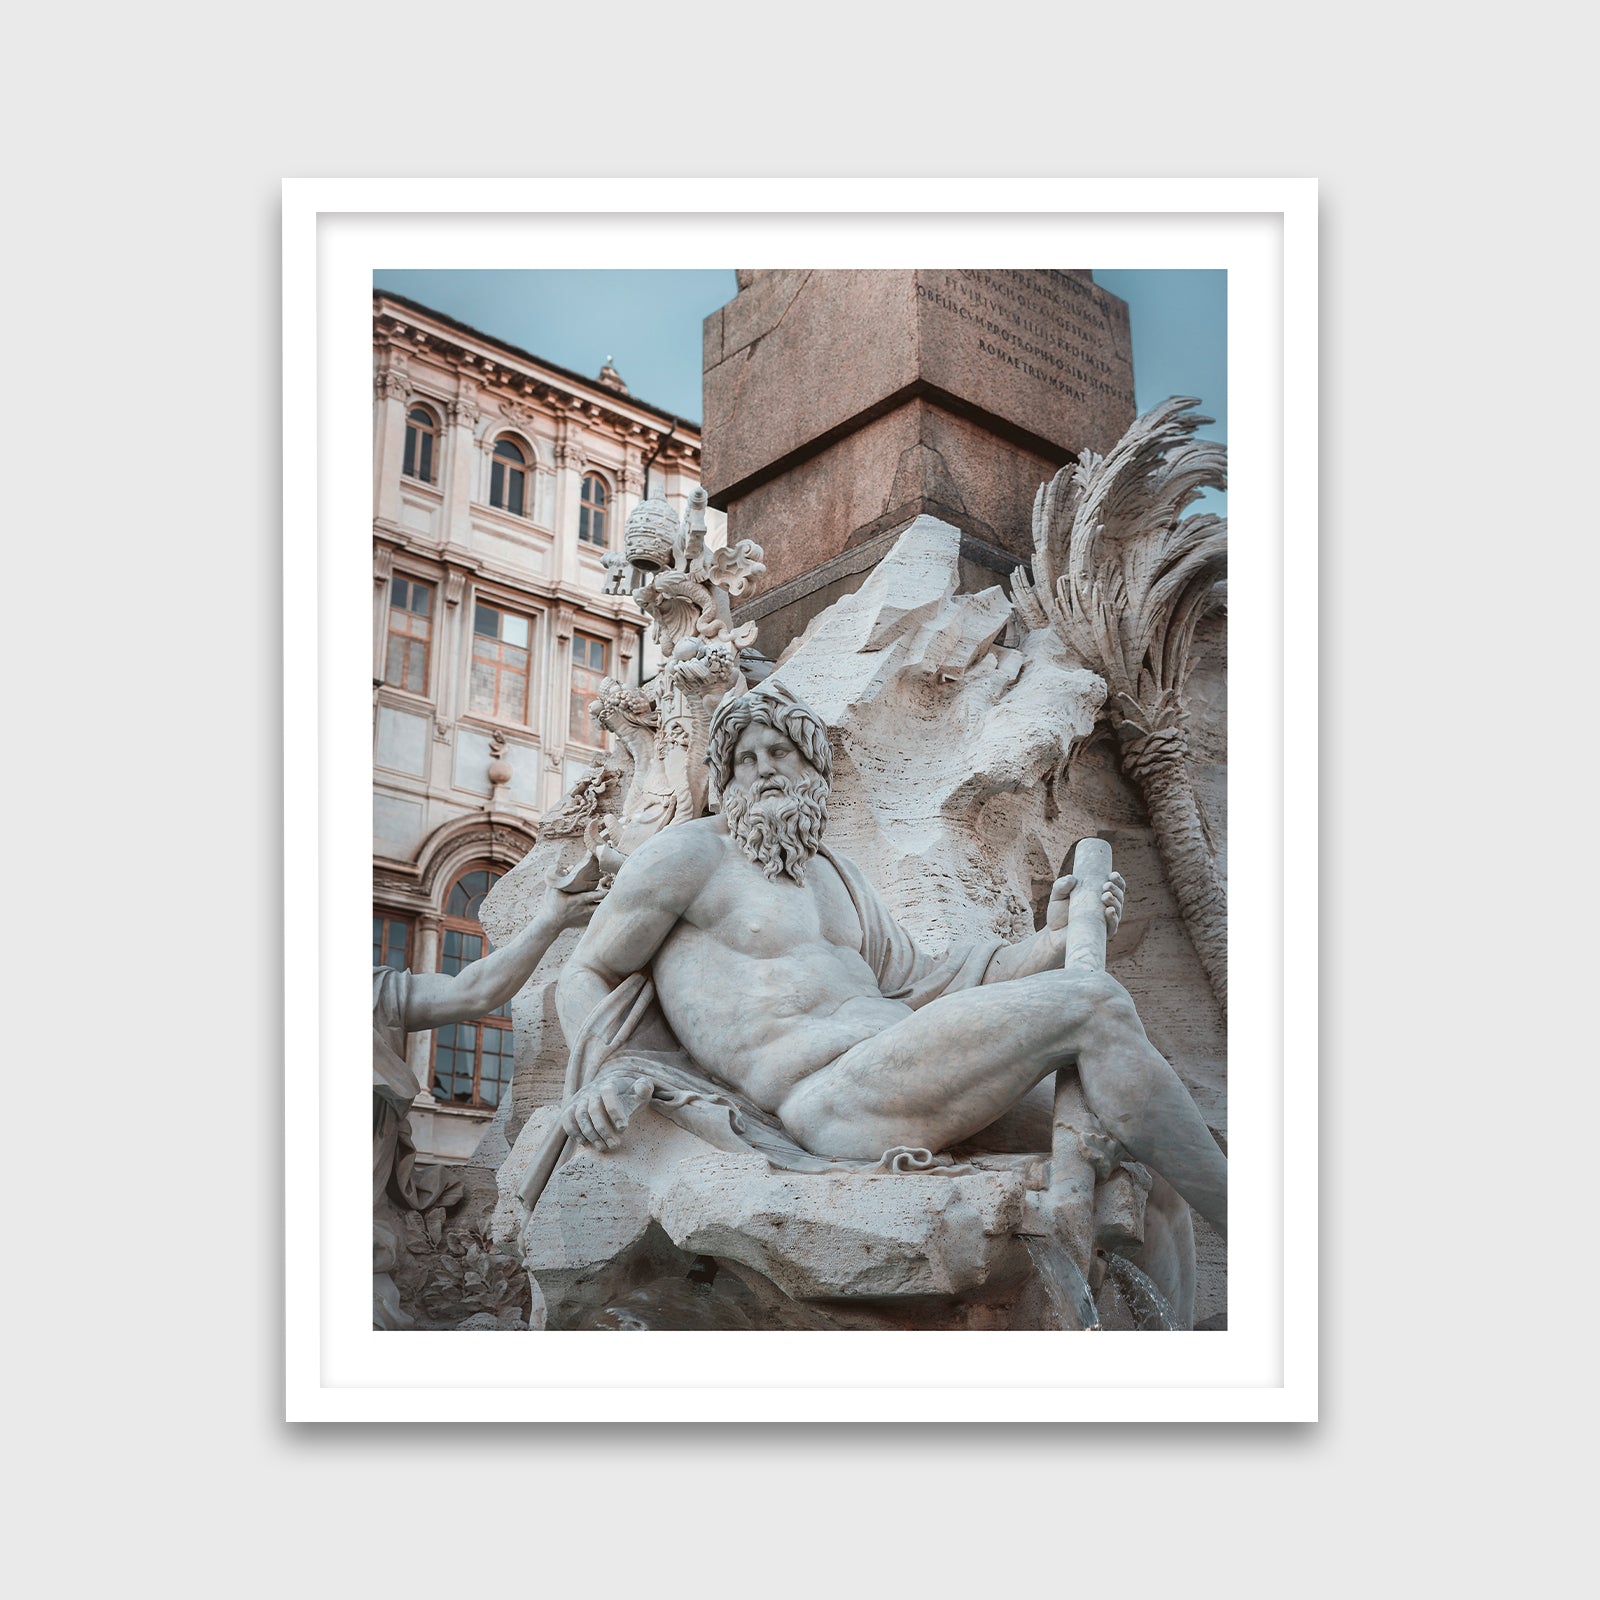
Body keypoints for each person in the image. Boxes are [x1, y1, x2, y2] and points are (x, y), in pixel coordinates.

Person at [555, 684, 1227, 1237]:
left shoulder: (838, 877)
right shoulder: (689, 856)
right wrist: (602, 1072)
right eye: (745, 758)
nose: (763, 769)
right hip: (829, 1098)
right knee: (1095, 1004)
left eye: (780, 751)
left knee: (1154, 1170)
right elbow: (590, 969)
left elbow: (927, 984)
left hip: (900, 1068)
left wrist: (1052, 940)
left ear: (813, 771)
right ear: (726, 778)